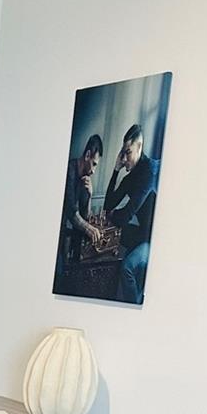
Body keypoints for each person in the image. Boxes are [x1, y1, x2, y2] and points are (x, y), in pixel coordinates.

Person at [103, 123, 159, 303]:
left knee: (127, 267)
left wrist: (113, 215)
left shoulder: (149, 170)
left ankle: (135, 308)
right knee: (111, 253)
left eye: (128, 153)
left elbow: (127, 213)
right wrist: (115, 170)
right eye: (123, 153)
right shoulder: (129, 177)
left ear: (139, 147)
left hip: (156, 238)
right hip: (142, 234)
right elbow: (108, 204)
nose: (125, 158)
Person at [61, 134, 103, 265]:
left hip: (69, 234)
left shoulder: (85, 178)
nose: (94, 171)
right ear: (87, 155)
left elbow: (85, 216)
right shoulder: (69, 170)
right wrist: (90, 229)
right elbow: (72, 213)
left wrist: (90, 195)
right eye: (94, 164)